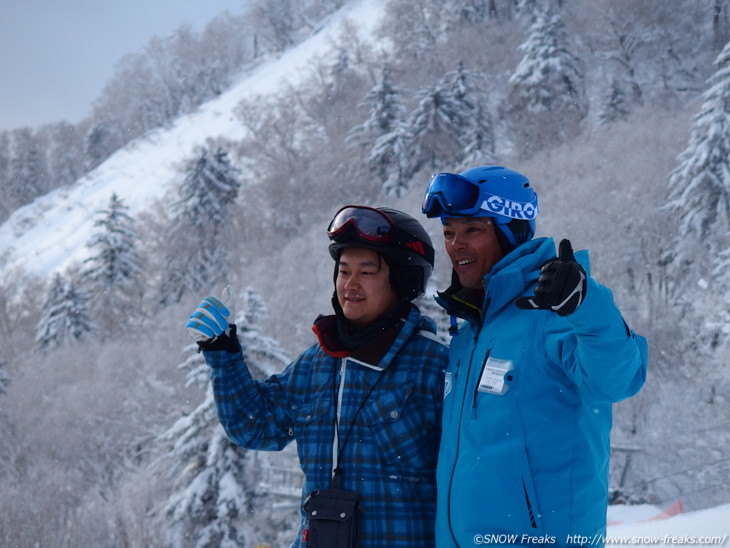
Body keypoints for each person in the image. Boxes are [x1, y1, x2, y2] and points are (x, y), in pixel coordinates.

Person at [186, 205, 448, 548]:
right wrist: (223, 354)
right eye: (343, 271)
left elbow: (472, 475)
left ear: (402, 281)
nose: (350, 284)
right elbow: (254, 425)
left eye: (366, 272)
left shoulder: (435, 365)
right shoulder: (318, 363)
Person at [421, 165, 649, 548]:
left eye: (473, 230)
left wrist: (586, 305)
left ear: (510, 232)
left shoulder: (555, 313)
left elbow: (617, 379)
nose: (455, 244)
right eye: (448, 232)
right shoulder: (469, 329)